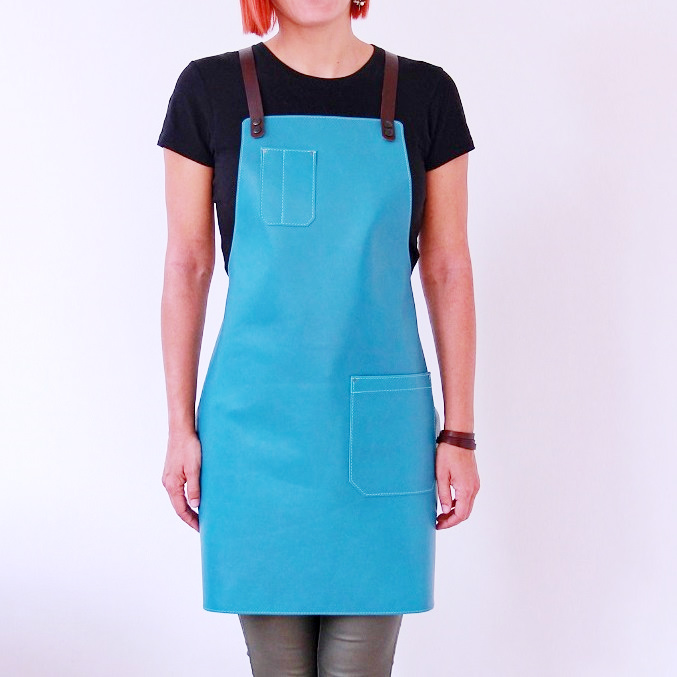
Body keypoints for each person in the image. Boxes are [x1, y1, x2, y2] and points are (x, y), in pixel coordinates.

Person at [157, 0, 480, 674]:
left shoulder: (426, 95)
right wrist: (179, 428)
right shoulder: (208, 90)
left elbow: (448, 267)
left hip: (381, 433)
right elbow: (187, 266)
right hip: (253, 433)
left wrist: (459, 432)